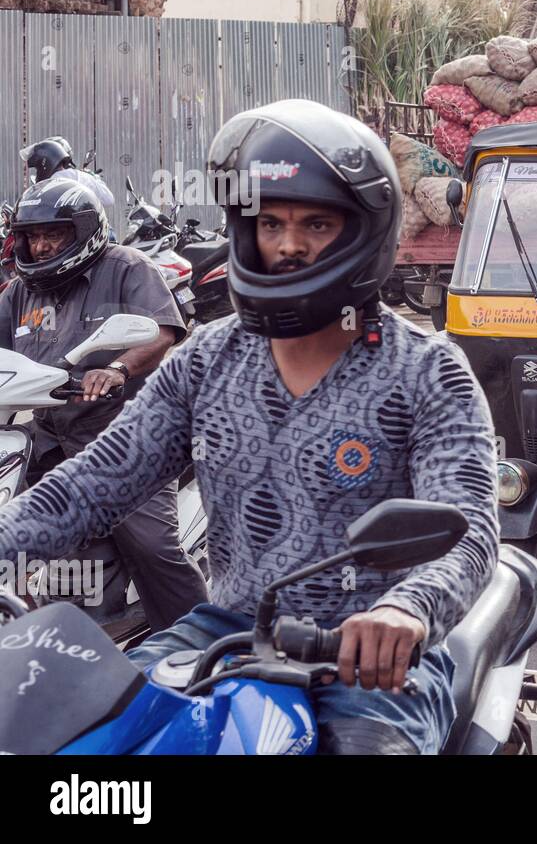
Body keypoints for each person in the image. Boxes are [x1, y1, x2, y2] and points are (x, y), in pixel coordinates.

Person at [0, 99, 499, 754]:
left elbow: (469, 529)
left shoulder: (428, 372)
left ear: (361, 233)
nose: (289, 243)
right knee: (85, 736)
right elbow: (92, 484)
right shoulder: (207, 361)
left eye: (316, 223)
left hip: (371, 659)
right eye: (271, 223)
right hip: (226, 630)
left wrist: (407, 609)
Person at [0, 176, 206, 633]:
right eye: (32, 236)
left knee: (152, 545)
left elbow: (160, 331)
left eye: (52, 234)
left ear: (83, 229)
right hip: (48, 436)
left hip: (127, 437)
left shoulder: (127, 267)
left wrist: (117, 369)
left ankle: (201, 645)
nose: (39, 246)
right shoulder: (19, 292)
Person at [20, 136, 116, 215]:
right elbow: (109, 199)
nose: (38, 172)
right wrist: (95, 179)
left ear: (45, 163)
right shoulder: (81, 176)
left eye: (37, 168)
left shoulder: (53, 181)